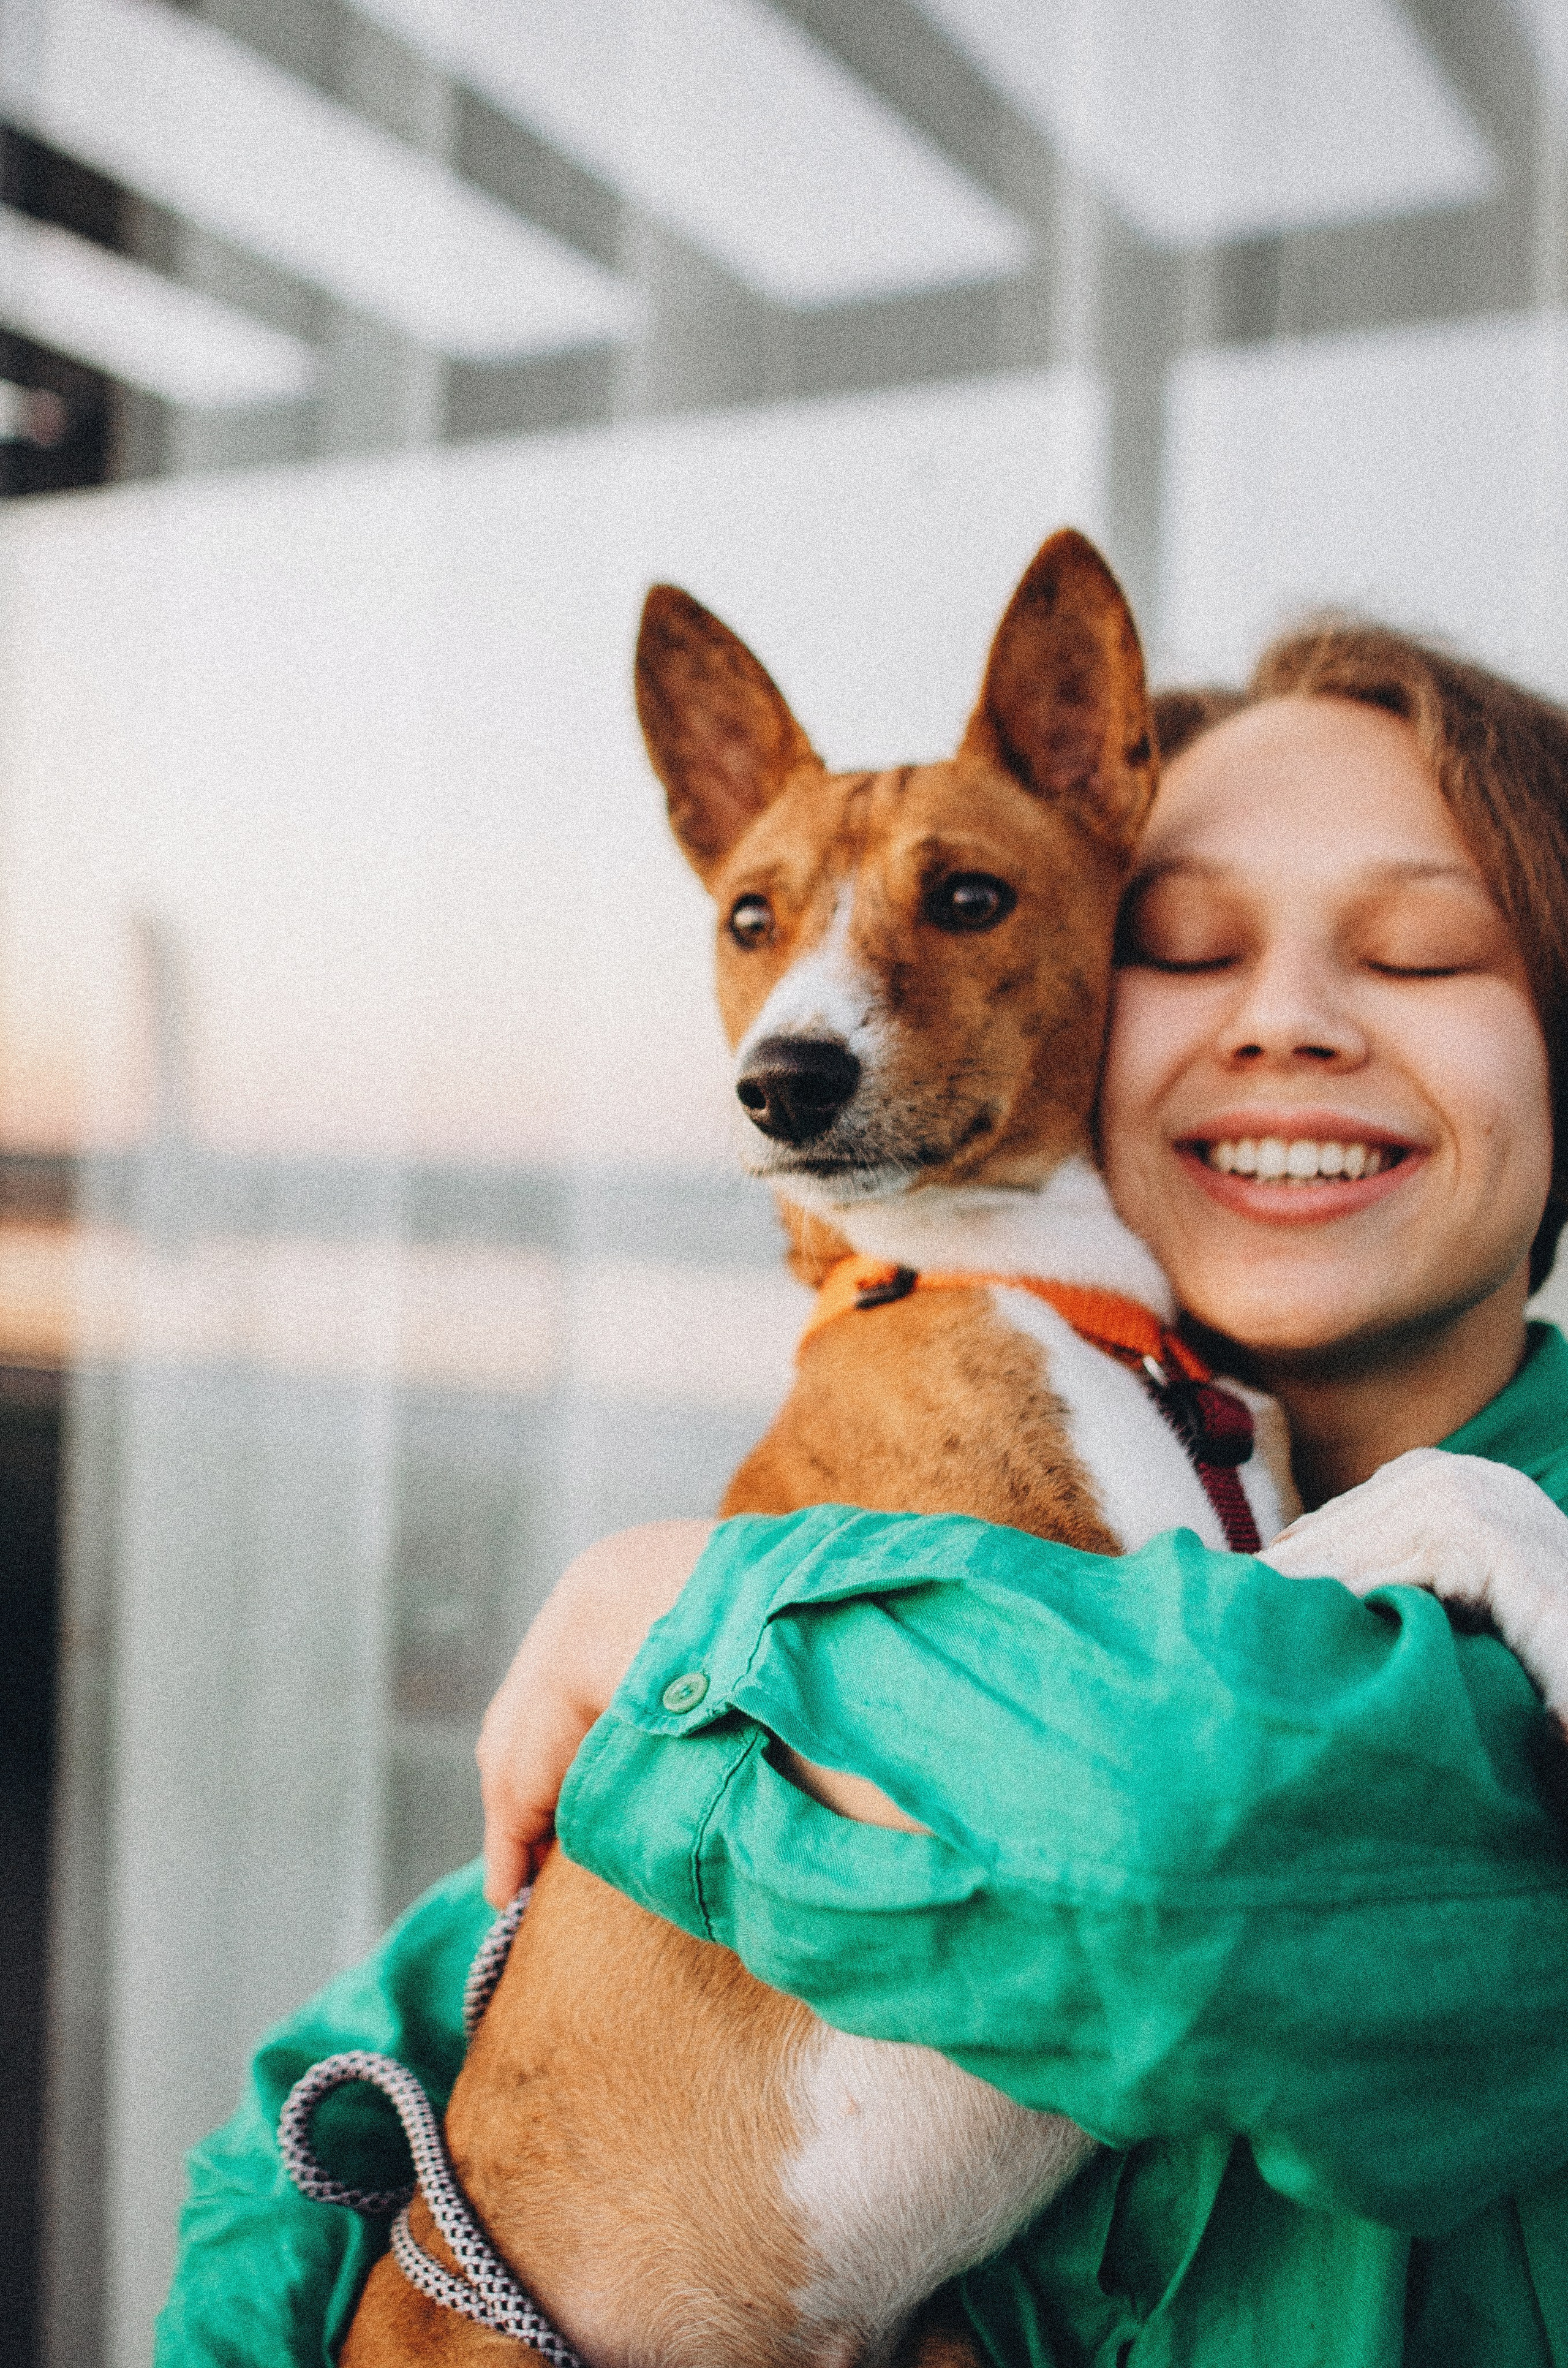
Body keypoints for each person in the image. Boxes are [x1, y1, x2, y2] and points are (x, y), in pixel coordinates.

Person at [158, 624, 1568, 2367]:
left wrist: (685, 1604)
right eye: (1185, 947)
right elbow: (307, 2105)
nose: (1279, 1021)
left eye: (1421, 949)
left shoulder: (776, 1573)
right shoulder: (1035, 1397)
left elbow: (1171, 1810)